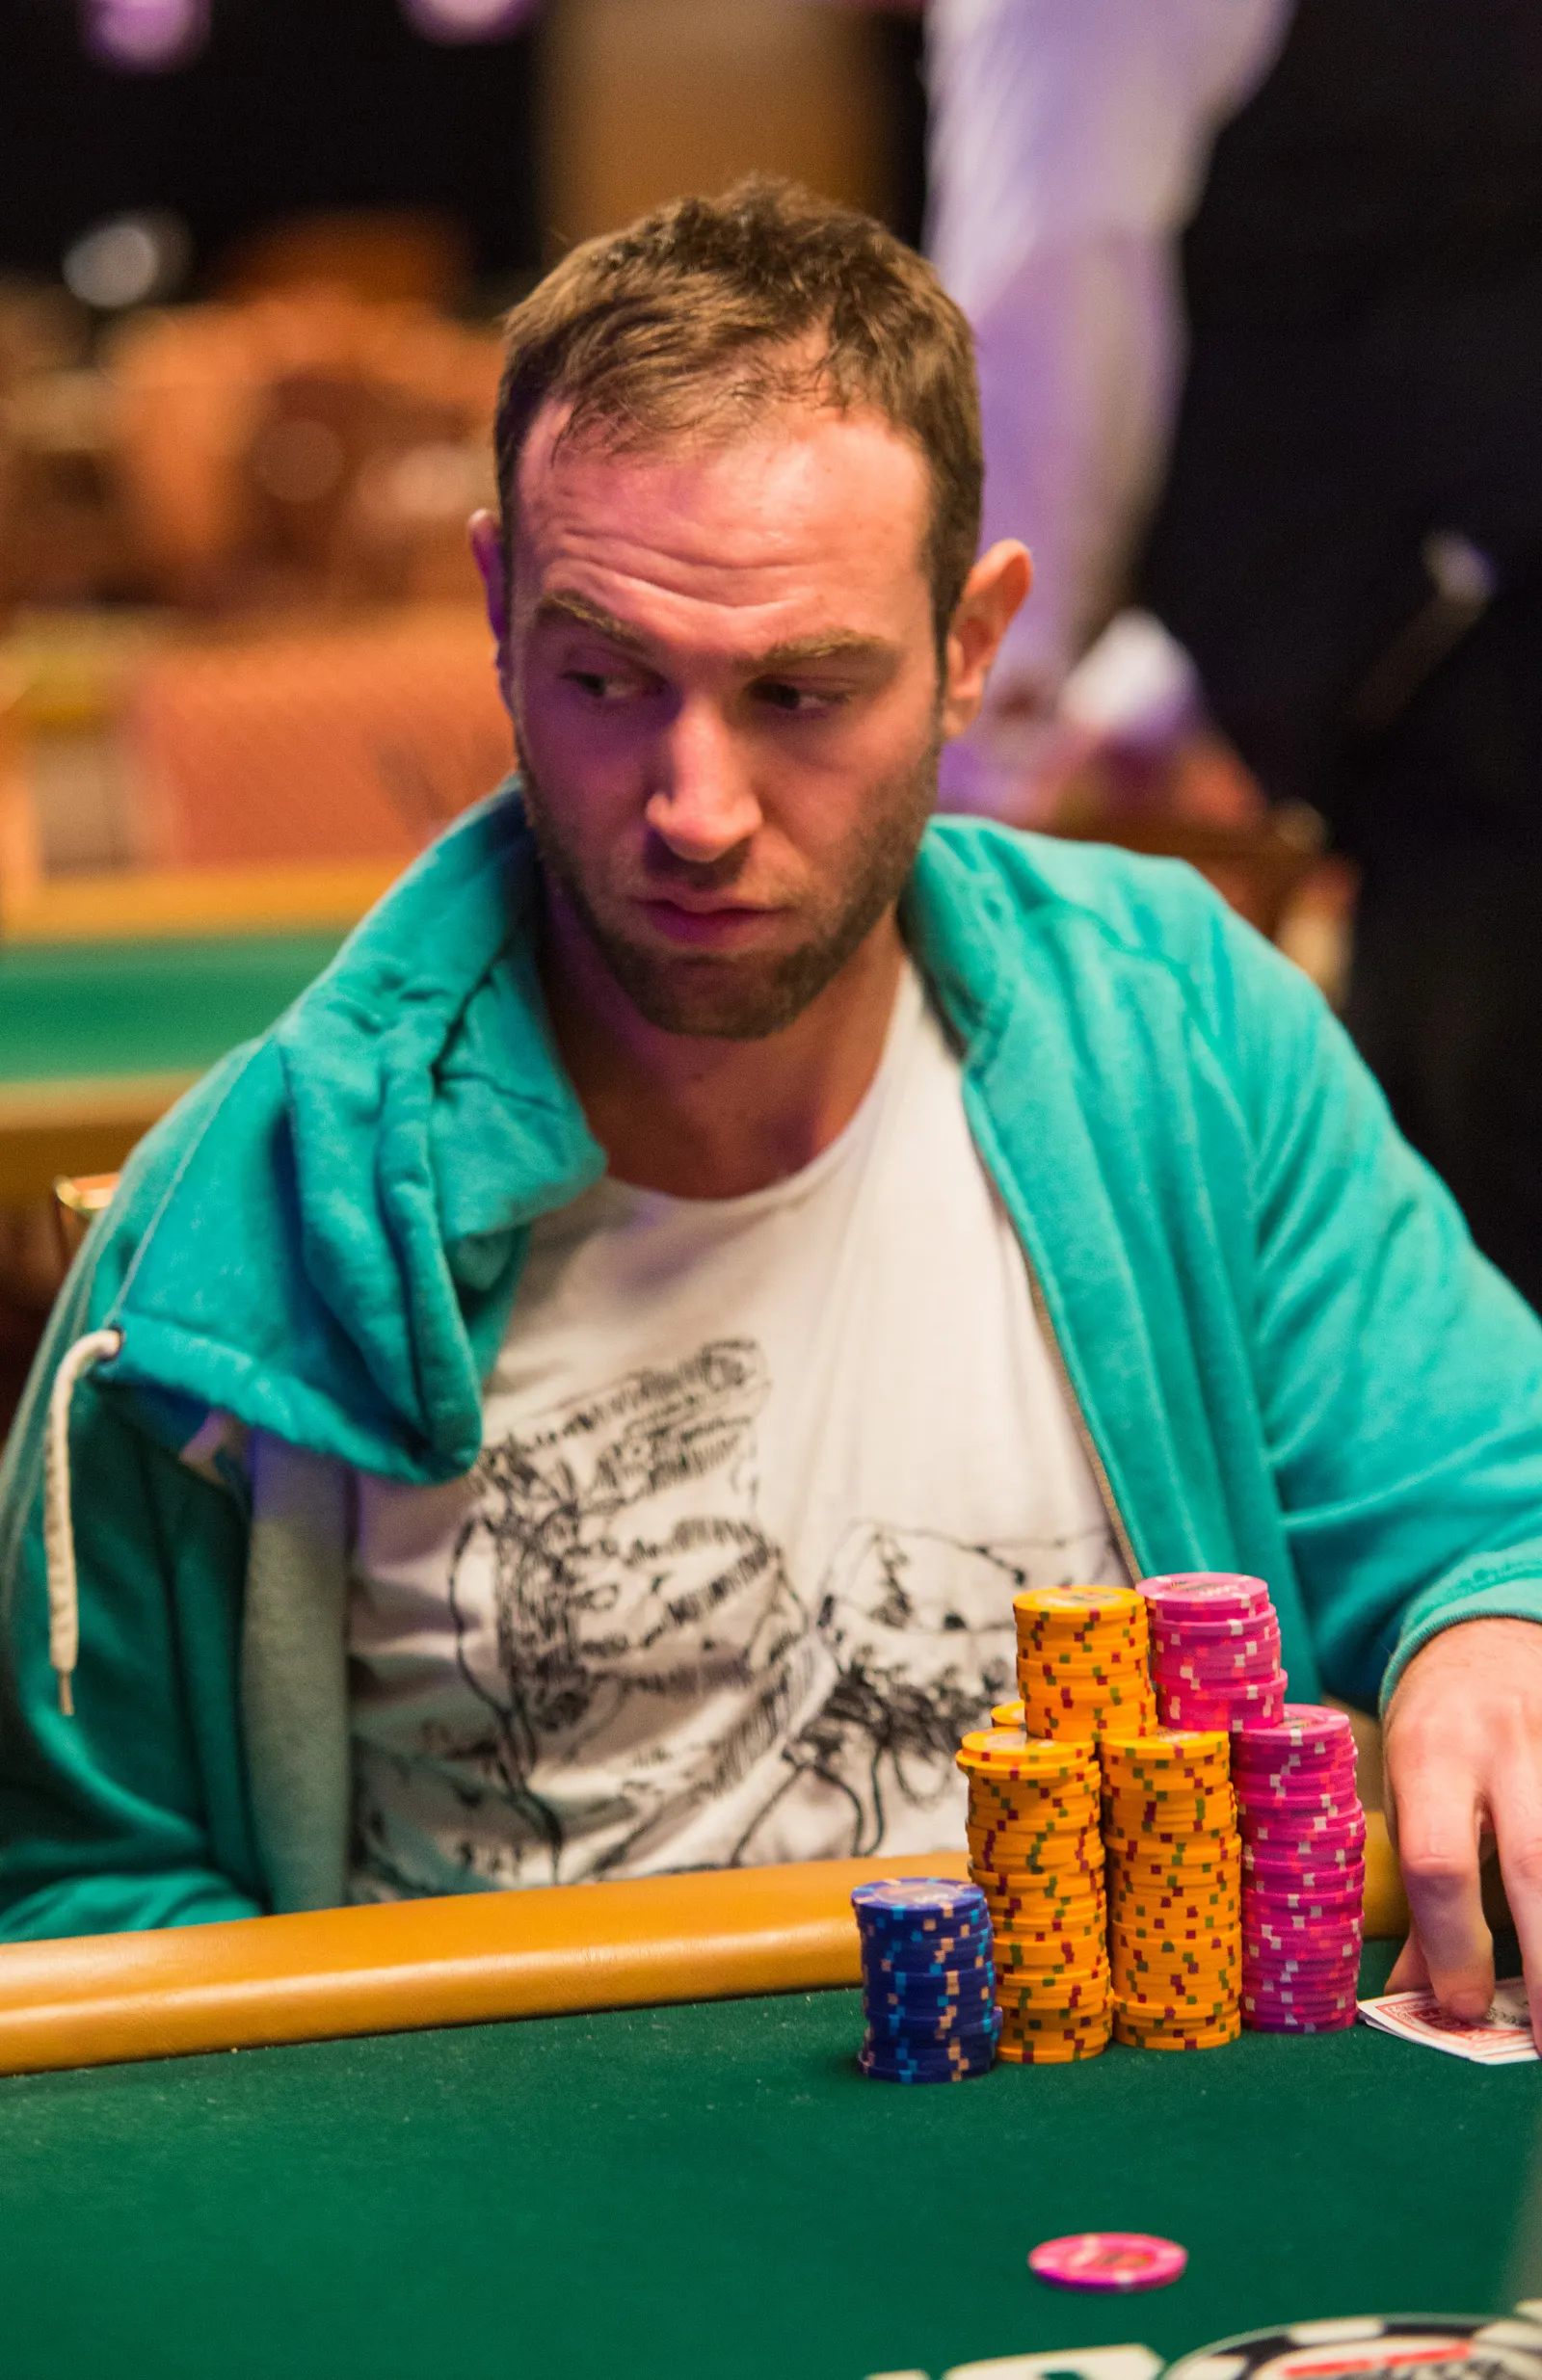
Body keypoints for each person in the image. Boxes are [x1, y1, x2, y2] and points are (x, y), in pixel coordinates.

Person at [1, 180, 1539, 2042]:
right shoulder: (234, 1225)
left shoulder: (1183, 1030)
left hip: (1130, 2160)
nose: (698, 808)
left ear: (970, 644)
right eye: (604, 678)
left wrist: (1493, 1623)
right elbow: (79, 1906)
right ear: (495, 609)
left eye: (803, 691)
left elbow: (1490, 1500)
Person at [926, 0, 1542, 1314]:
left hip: (1494, 747)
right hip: (1462, 684)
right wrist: (1168, 681)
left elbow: (1053, 318)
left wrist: (961, 753)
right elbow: (1393, 261)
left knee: (1471, 1316)